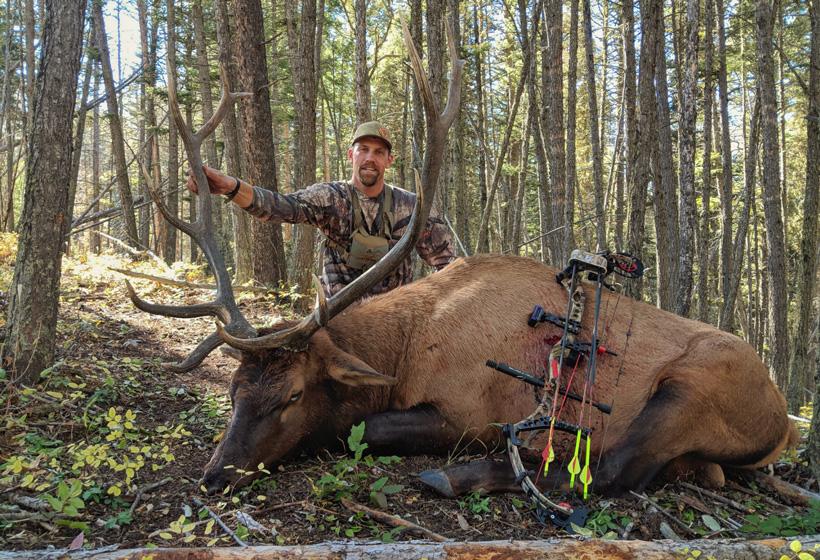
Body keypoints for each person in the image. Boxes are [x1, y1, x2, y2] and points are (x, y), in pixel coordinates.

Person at [187, 121, 456, 297]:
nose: (370, 158)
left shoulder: (414, 208)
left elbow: (447, 269)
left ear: (389, 160)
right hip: (338, 325)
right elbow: (278, 207)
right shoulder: (330, 198)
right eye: (363, 149)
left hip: (396, 327)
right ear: (351, 155)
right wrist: (229, 187)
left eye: (378, 152)